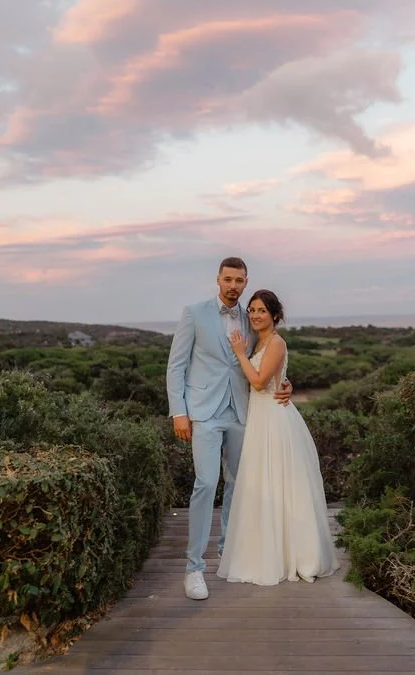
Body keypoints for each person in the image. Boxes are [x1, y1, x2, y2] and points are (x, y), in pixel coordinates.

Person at [166, 257, 293, 600]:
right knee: (206, 483)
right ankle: (194, 567)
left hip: (242, 410)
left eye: (239, 280)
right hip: (204, 412)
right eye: (228, 279)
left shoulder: (253, 317)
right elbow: (175, 366)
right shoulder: (194, 313)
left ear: (246, 281)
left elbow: (269, 352)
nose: (234, 285)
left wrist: (285, 383)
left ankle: (228, 550)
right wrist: (179, 412)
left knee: (237, 483)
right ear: (218, 280)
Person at [216, 289, 339, 586]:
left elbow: (258, 383)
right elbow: (273, 378)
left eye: (262, 311)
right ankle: (266, 551)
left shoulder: (276, 343)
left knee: (280, 484)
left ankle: (293, 555)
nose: (256, 315)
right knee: (263, 485)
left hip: (273, 419)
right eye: (252, 310)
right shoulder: (261, 342)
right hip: (260, 419)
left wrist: (239, 354)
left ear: (274, 315)